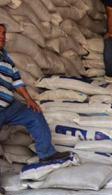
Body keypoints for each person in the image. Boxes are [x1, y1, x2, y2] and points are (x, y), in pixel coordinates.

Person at [0, 23, 70, 168]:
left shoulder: (6, 58)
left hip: (9, 107)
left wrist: (29, 100)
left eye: (3, 34)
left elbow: (16, 81)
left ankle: (47, 154)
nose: (2, 37)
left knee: (34, 114)